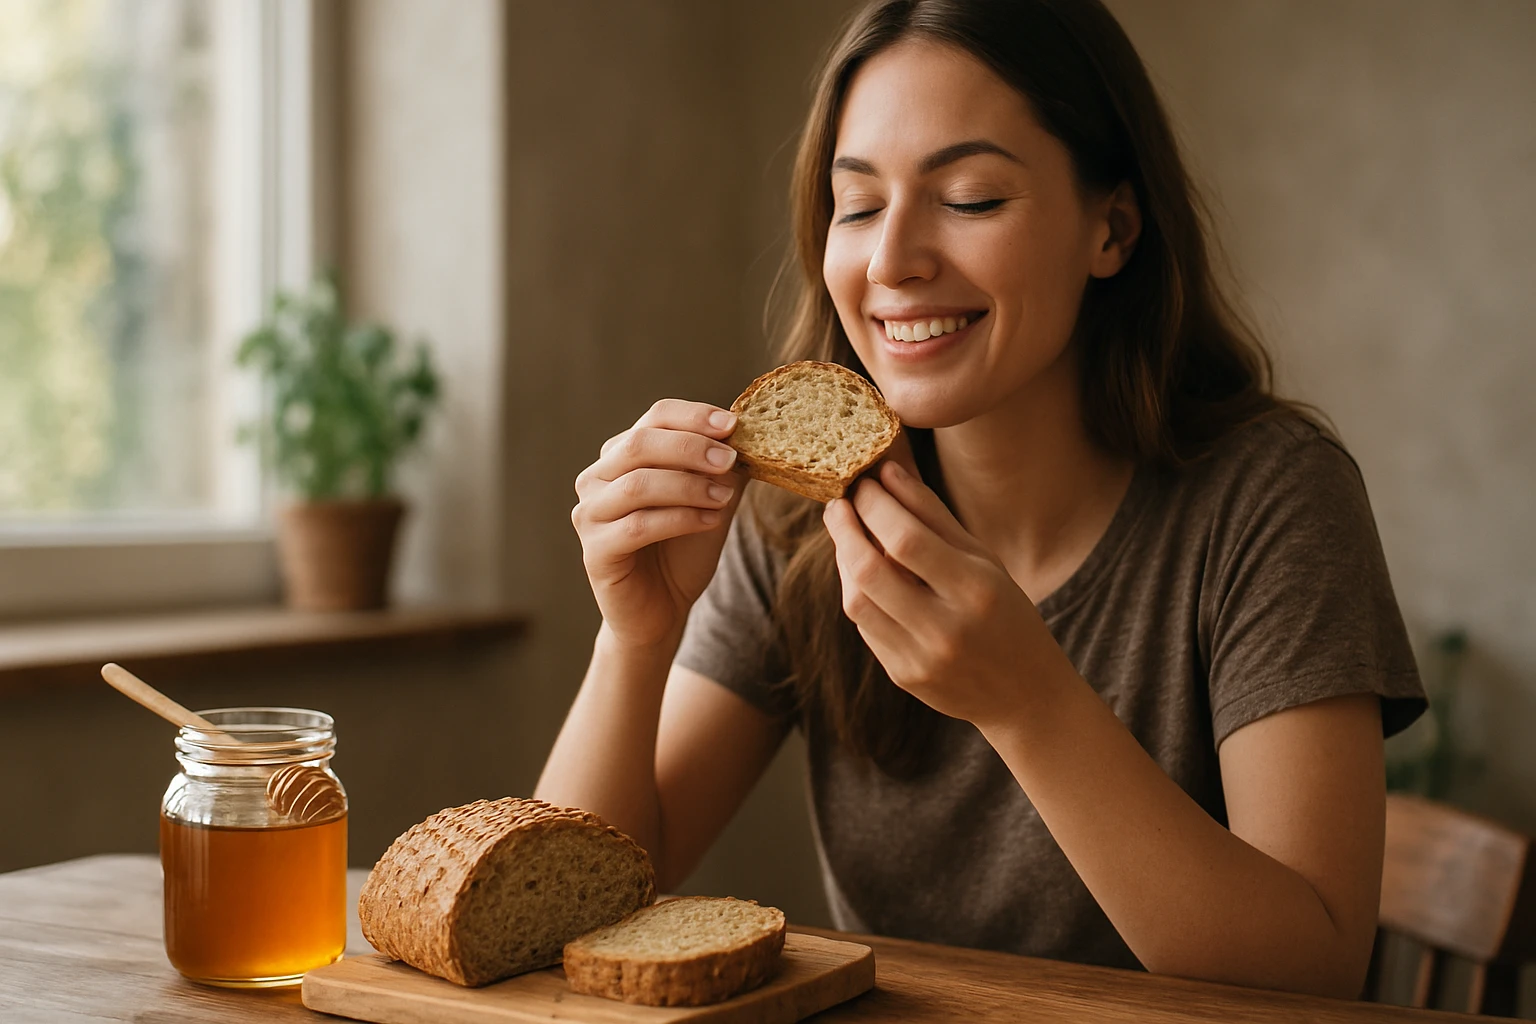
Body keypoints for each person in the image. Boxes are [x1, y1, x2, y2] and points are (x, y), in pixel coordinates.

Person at [538, 0, 1425, 998]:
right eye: (858, 204)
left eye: (968, 197)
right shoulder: (798, 522)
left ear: (1113, 226)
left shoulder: (1267, 499)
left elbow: (1316, 971)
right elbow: (575, 913)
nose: (890, 262)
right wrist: (636, 638)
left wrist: (1030, 701)